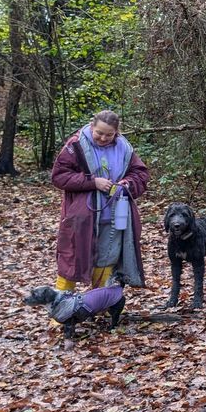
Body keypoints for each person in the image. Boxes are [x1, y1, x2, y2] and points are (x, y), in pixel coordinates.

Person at [51, 110, 151, 292]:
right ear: (91, 126)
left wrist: (127, 184)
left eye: (109, 134)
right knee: (71, 257)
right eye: (99, 133)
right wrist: (92, 182)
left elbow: (141, 174)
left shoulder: (124, 148)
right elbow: (59, 176)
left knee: (107, 258)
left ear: (116, 133)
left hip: (115, 215)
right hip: (81, 216)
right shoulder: (75, 145)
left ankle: (98, 302)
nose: (104, 138)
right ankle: (62, 308)